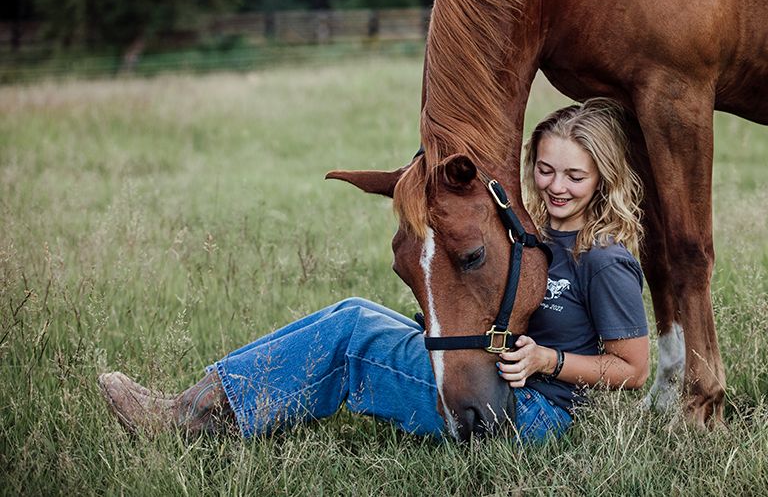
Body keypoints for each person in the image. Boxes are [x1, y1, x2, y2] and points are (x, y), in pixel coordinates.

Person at [98, 98, 649, 443]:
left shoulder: (602, 259)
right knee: (354, 313)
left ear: (603, 178)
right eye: (546, 169)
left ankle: (186, 419)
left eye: (575, 176)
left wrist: (544, 359)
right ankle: (205, 401)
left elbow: (633, 368)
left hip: (535, 414)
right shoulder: (532, 232)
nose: (556, 186)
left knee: (354, 338)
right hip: (499, 382)